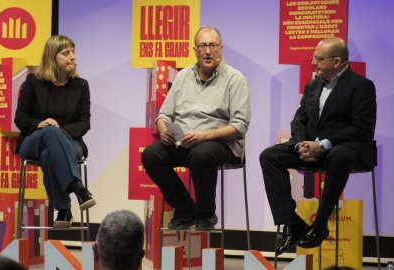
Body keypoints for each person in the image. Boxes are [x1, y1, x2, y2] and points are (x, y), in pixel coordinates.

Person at [260, 37, 377, 255]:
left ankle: (321, 223)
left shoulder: (362, 86)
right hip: (314, 148)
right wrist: (300, 145)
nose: (313, 62)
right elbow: (299, 120)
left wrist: (323, 145)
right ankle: (292, 222)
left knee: (338, 155)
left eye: (319, 58)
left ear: (337, 61)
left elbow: (362, 127)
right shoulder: (312, 85)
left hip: (348, 146)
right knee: (269, 155)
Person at [141, 26, 251, 231]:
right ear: (195, 50)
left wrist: (204, 136)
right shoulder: (182, 77)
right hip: (183, 142)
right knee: (151, 154)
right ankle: (184, 209)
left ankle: (206, 213)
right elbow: (163, 115)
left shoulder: (235, 79)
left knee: (201, 154)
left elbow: (240, 126)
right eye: (203, 46)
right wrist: (164, 129)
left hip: (221, 144)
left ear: (221, 49)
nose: (207, 51)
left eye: (212, 46)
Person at [15, 35, 95, 228]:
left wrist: (59, 130)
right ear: (52, 57)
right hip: (33, 140)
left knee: (49, 153)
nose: (72, 57)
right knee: (50, 133)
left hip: (70, 142)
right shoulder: (33, 82)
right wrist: (41, 124)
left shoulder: (81, 86)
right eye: (66, 53)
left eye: (73, 52)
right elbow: (20, 118)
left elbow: (84, 123)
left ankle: (63, 209)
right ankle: (78, 188)